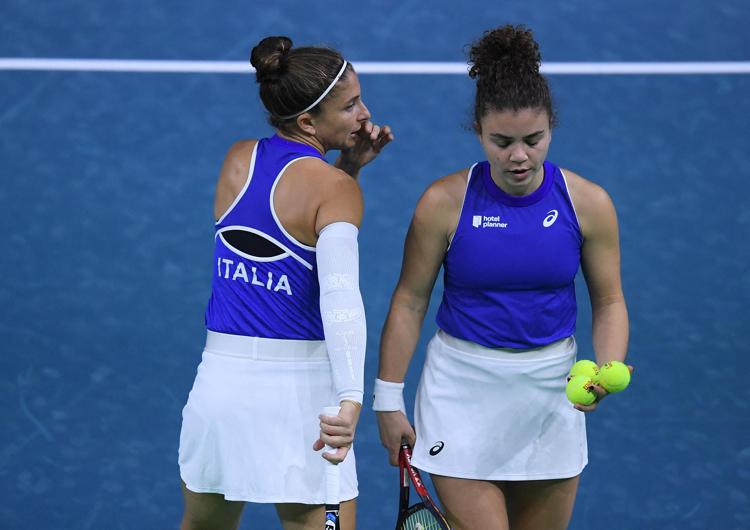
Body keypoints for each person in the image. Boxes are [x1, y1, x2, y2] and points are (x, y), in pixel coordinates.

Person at [373, 24, 629, 530]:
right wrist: (387, 400)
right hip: (461, 395)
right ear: (478, 131)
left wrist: (607, 366)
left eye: (533, 140)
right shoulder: (443, 203)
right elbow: (409, 301)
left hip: (551, 394)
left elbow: (610, 301)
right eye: (502, 141)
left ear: (552, 127)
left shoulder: (589, 204)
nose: (519, 156)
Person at [178, 36, 393, 530]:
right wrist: (350, 400)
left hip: (220, 391)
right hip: (302, 399)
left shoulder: (237, 159)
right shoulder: (335, 191)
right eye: (350, 105)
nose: (365, 115)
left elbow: (293, 221)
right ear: (307, 122)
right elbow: (341, 302)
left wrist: (349, 168)